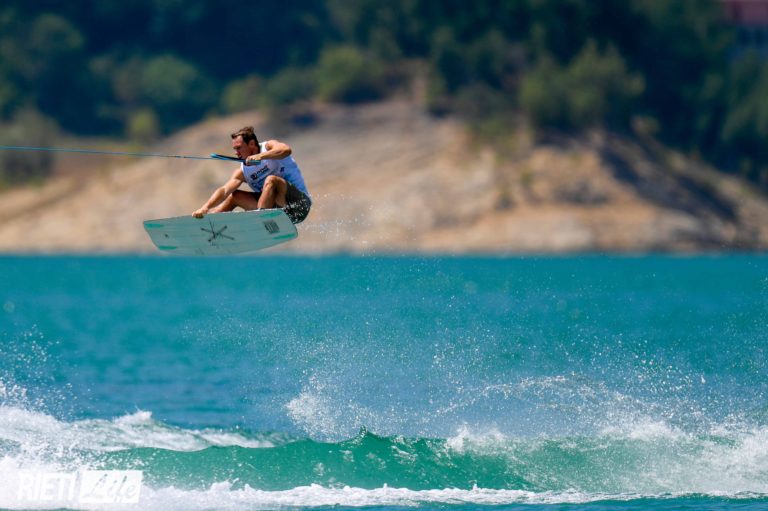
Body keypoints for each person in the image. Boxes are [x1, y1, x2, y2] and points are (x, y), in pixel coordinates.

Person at [192, 126, 311, 223]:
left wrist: (260, 156)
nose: (236, 153)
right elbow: (224, 191)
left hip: (299, 205)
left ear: (252, 144)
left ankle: (261, 221)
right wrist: (205, 207)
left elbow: (286, 150)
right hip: (275, 210)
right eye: (234, 149)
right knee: (234, 196)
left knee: (271, 180)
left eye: (239, 148)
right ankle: (210, 223)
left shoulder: (268, 146)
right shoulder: (242, 171)